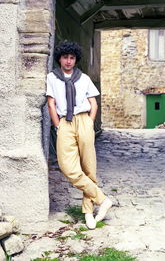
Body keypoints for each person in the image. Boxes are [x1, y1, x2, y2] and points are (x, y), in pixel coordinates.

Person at [46, 40, 112, 229]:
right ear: (60, 58)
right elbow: (51, 103)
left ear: (76, 59)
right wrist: (58, 126)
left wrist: (90, 122)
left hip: (83, 121)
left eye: (72, 58)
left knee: (89, 168)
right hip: (64, 123)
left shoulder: (83, 78)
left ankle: (88, 212)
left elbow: (94, 103)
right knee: (68, 167)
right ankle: (103, 199)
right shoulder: (52, 78)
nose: (68, 61)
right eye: (65, 57)